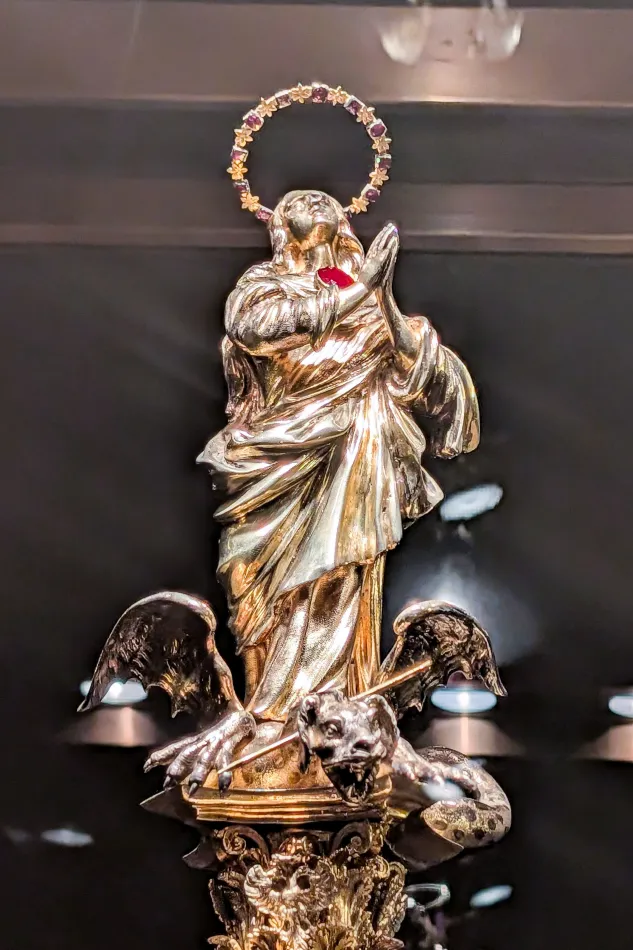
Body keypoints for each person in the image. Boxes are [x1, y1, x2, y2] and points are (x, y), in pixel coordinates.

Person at [198, 189, 480, 727]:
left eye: (323, 199)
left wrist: (384, 300)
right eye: (300, 200)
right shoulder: (263, 285)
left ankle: (333, 718)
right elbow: (255, 329)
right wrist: (362, 290)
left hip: (353, 456)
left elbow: (432, 374)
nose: (313, 201)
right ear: (280, 228)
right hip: (275, 462)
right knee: (249, 580)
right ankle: (269, 722)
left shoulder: (372, 302)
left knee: (341, 573)